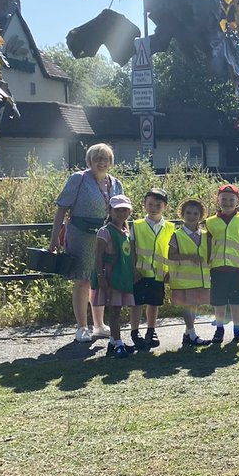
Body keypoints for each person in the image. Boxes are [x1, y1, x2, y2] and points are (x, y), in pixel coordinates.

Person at [50, 143, 125, 343]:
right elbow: (61, 209)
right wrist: (54, 239)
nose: (101, 162)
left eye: (105, 159)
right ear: (89, 161)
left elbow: (121, 212)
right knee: (82, 280)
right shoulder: (79, 179)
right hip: (80, 234)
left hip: (105, 237)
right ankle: (82, 327)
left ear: (110, 162)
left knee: (101, 280)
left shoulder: (116, 183)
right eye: (97, 158)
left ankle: (99, 325)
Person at [206, 184, 239, 343]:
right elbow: (208, 245)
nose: (227, 202)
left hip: (238, 268)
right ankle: (219, 329)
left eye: (231, 199)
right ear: (218, 199)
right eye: (224, 199)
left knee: (237, 301)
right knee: (219, 301)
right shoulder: (210, 221)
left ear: (237, 201)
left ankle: (238, 329)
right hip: (218, 268)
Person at [128, 187, 174, 350]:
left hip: (159, 273)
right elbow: (132, 248)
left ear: (165, 207)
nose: (154, 208)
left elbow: (171, 250)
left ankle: (151, 330)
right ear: (144, 205)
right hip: (140, 272)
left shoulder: (169, 227)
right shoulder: (137, 225)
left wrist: (170, 271)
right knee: (136, 303)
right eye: (150, 204)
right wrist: (134, 270)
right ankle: (134, 331)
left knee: (154, 303)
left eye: (158, 205)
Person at [92, 194, 136, 358]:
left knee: (118, 309)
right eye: (117, 210)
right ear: (110, 210)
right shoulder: (105, 232)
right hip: (110, 275)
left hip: (121, 274)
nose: (121, 213)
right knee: (114, 310)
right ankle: (117, 342)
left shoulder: (125, 230)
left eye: (124, 210)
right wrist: (100, 276)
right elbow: (98, 256)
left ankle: (114, 342)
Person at [168, 198, 211, 348]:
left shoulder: (206, 235)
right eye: (188, 213)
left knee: (194, 305)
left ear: (201, 215)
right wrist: (188, 257)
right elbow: (171, 255)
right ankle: (192, 334)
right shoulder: (177, 235)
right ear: (182, 214)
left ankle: (188, 334)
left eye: (195, 213)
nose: (192, 216)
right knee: (189, 305)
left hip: (201, 277)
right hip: (184, 277)